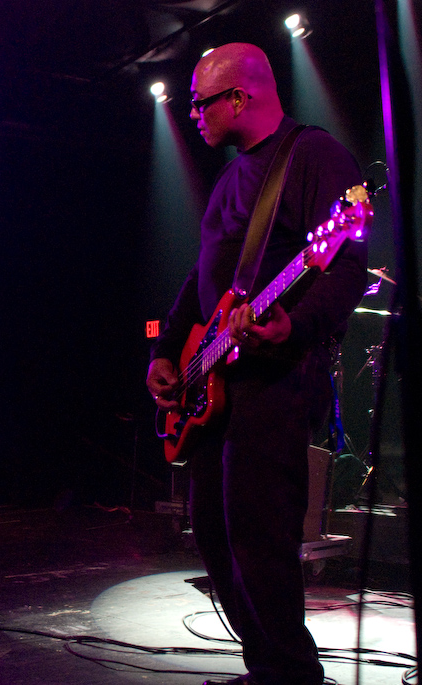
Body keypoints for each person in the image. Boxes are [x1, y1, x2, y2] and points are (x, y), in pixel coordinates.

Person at [146, 44, 367, 685]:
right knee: (214, 532)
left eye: (201, 102)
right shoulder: (231, 178)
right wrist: (167, 351)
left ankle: (292, 674)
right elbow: (203, 276)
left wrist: (295, 323)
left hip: (277, 379)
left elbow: (346, 265)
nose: (193, 114)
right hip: (216, 377)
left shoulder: (314, 156)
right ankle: (265, 666)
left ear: (239, 97)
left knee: (260, 533)